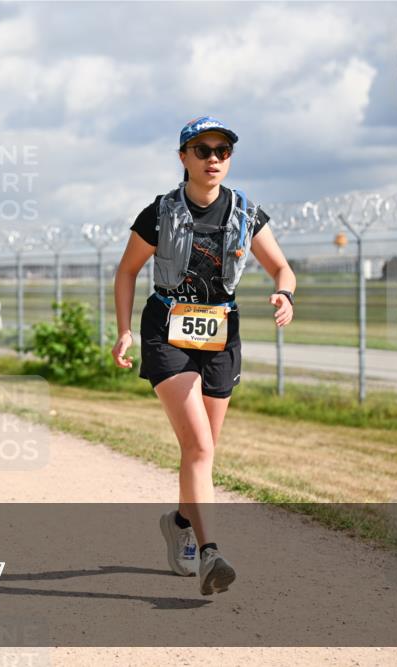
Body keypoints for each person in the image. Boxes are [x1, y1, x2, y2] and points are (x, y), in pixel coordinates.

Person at [112, 117, 296, 596]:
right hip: (167, 333)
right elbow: (127, 271)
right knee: (198, 448)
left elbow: (282, 267)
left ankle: (178, 523)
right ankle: (211, 551)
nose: (213, 158)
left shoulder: (245, 213)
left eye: (222, 150)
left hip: (221, 337)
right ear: (183, 158)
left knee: (203, 452)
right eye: (202, 150)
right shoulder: (160, 212)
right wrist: (124, 333)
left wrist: (285, 294)